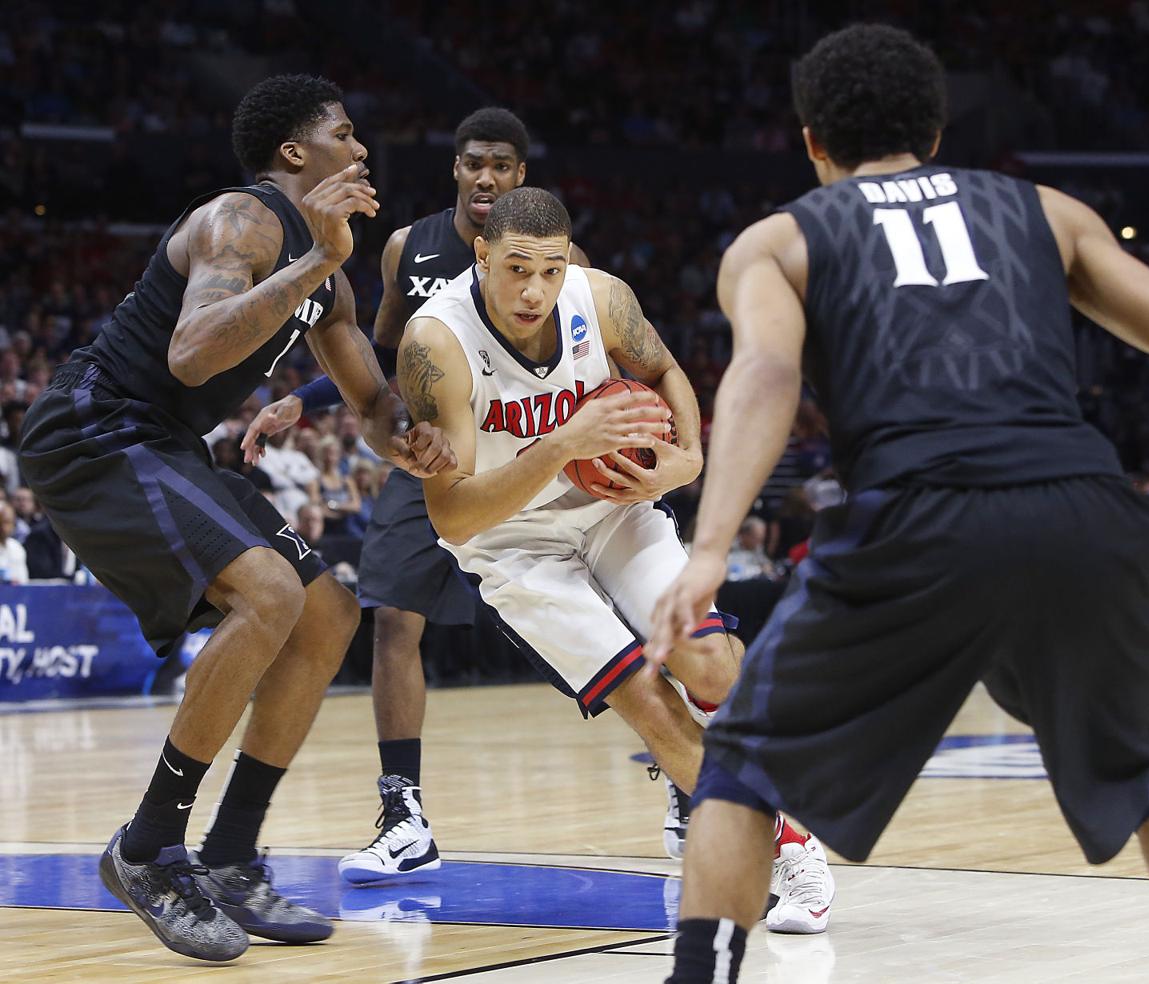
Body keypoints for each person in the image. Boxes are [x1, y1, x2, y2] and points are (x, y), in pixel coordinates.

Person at [647, 24, 1149, 983]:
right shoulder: (1050, 211)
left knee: (740, 758)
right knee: (1147, 769)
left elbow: (767, 374)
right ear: (937, 134)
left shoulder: (781, 240)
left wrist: (709, 548)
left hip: (919, 516)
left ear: (813, 141)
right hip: (1081, 510)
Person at [18, 74, 454, 963]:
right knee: (266, 593)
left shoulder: (325, 278)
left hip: (165, 441)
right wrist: (319, 261)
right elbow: (188, 354)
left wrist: (415, 440)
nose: (362, 147)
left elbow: (373, 411)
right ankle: (147, 848)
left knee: (328, 611)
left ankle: (228, 856)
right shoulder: (242, 222)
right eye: (345, 132)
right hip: (95, 429)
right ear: (296, 153)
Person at [398, 185, 835, 933]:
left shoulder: (601, 299)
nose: (534, 289)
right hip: (511, 544)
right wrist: (564, 442)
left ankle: (743, 761)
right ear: (480, 256)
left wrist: (686, 460)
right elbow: (453, 513)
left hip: (616, 510)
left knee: (710, 668)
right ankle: (792, 848)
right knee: (647, 703)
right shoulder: (435, 343)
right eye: (515, 269)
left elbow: (666, 372)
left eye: (550, 268)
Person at [242, 108, 597, 883]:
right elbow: (377, 356)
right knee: (391, 622)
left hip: (525, 458)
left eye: (502, 165)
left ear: (520, 176)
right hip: (430, 459)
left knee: (594, 620)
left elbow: (593, 357)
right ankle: (403, 815)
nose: (486, 178)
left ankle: (681, 781)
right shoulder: (408, 247)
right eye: (474, 163)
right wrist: (305, 398)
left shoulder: (551, 259)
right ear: (457, 170)